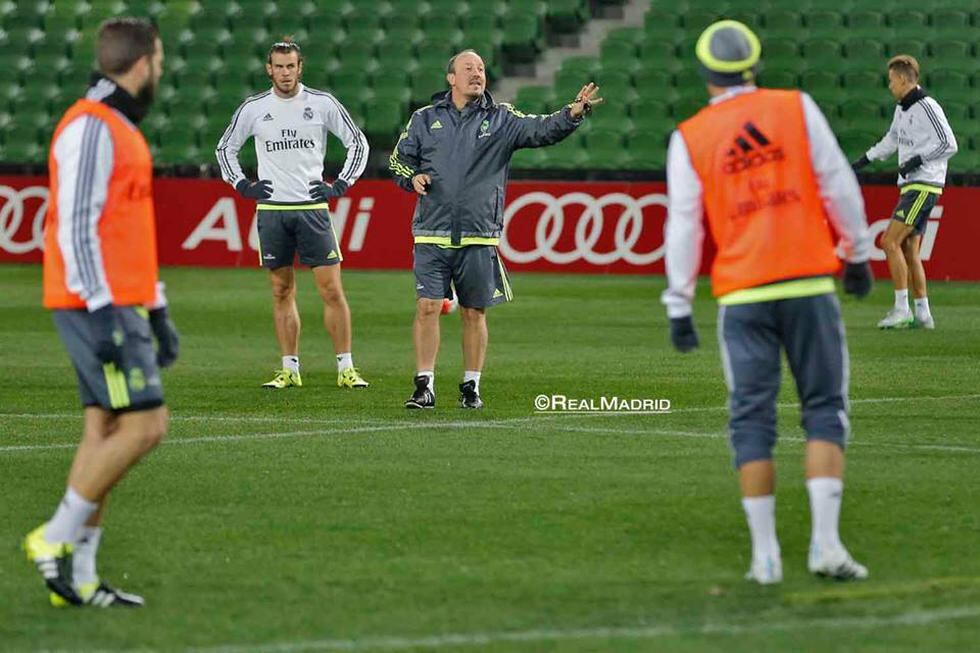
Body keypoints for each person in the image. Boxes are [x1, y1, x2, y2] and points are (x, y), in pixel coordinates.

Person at [661, 20, 874, 584]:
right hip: (808, 284)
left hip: (744, 292)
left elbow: (683, 225)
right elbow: (838, 184)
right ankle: (826, 546)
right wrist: (856, 254)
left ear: (706, 74)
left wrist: (679, 304)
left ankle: (766, 558)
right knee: (825, 409)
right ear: (754, 64)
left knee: (750, 420)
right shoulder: (796, 107)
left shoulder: (691, 136)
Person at [25, 17, 178, 608]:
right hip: (97, 302)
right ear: (142, 64)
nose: (160, 71)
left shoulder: (114, 124)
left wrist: (157, 306)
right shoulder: (90, 126)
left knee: (106, 430)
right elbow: (76, 228)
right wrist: (107, 311)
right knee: (147, 424)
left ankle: (81, 579)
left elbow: (126, 228)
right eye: (158, 61)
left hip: (117, 298)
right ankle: (53, 537)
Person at [389, 50, 602, 409]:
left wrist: (572, 114)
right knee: (427, 306)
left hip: (478, 233)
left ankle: (471, 385)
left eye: (481, 69)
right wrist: (413, 177)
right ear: (451, 78)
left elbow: (541, 129)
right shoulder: (424, 119)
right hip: (431, 232)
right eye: (468, 69)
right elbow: (398, 160)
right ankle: (424, 384)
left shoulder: (501, 118)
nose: (476, 74)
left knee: (474, 311)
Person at [215, 39, 370, 389]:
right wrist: (242, 185)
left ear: (301, 68)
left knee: (331, 290)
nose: (285, 73)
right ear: (269, 69)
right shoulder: (254, 108)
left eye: (291, 66)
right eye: (279, 67)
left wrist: (342, 183)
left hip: (312, 208)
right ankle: (289, 369)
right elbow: (226, 147)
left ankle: (346, 368)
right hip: (272, 210)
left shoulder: (322, 103)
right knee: (281, 291)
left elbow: (358, 142)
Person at [852, 55, 957, 330]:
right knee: (910, 249)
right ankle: (923, 314)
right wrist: (865, 160)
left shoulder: (927, 106)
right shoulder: (903, 110)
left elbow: (949, 143)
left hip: (923, 183)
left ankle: (902, 310)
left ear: (901, 79)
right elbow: (892, 140)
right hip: (912, 184)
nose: (889, 86)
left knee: (888, 243)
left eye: (890, 81)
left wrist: (918, 160)